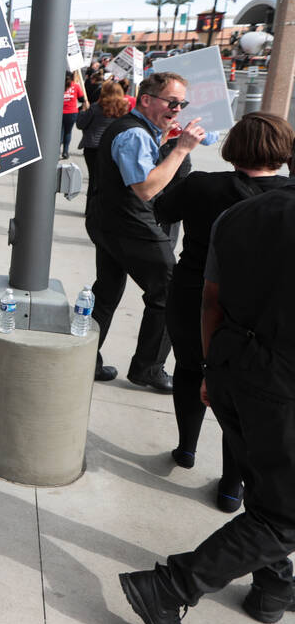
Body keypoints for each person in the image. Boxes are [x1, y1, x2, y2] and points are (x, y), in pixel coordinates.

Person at [119, 176, 295, 624]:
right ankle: (170, 586)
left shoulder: (241, 214)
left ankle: (271, 588)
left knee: (265, 487)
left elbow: (210, 299)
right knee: (284, 516)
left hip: (233, 362)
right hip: (279, 382)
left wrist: (209, 367)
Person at [153, 113, 293, 510]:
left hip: (193, 291)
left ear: (232, 147)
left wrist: (177, 153)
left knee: (189, 367)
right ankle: (232, 486)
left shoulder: (202, 186)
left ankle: (186, 449)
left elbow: (161, 208)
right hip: (254, 308)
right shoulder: (285, 196)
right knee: (242, 395)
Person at [85, 71, 206, 388]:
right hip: (128, 222)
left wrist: (167, 143)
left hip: (111, 220)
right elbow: (146, 188)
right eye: (172, 102)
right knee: (169, 290)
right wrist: (181, 150)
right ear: (147, 99)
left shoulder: (143, 131)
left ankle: (84, 359)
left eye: (182, 103)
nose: (177, 109)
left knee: (107, 292)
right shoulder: (135, 134)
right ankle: (148, 368)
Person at [76, 79, 130, 193]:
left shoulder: (96, 107)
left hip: (92, 146)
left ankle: (90, 207)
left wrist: (83, 111)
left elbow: (81, 124)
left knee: (93, 178)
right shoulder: (123, 109)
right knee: (104, 179)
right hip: (111, 147)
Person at [61, 70, 84, 159]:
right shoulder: (75, 86)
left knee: (60, 133)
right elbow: (81, 99)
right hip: (71, 113)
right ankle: (65, 152)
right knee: (68, 132)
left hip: (60, 113)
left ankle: (56, 151)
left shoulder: (58, 85)